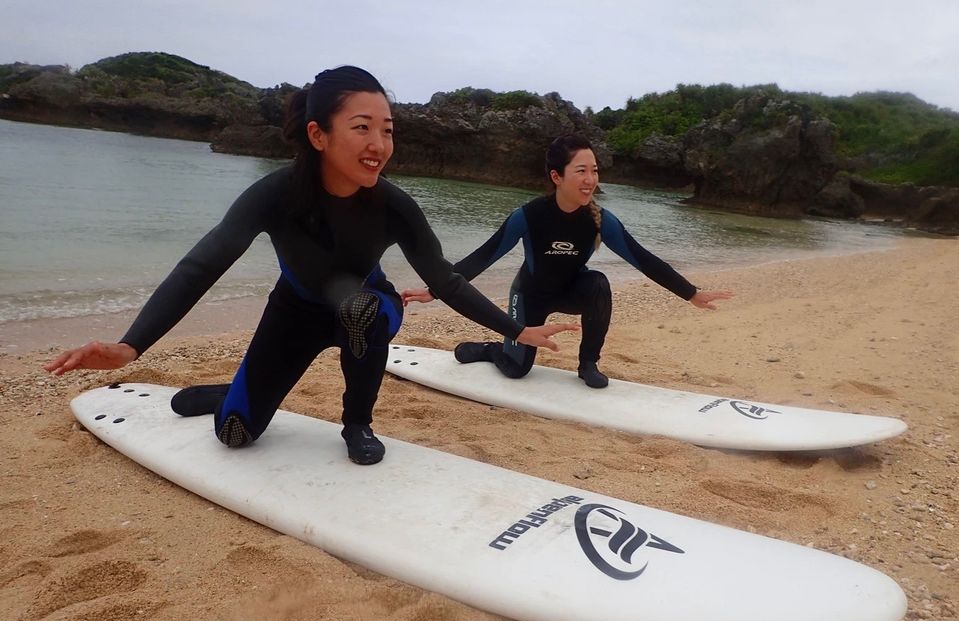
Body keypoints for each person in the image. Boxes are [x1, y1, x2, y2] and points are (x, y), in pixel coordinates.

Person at [44, 66, 576, 465]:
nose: (379, 145)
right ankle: (231, 397)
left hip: (370, 306)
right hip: (294, 312)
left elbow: (446, 280)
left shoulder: (394, 205)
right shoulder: (275, 195)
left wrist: (516, 329)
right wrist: (131, 345)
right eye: (363, 128)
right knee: (234, 436)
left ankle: (357, 424)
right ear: (319, 135)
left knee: (359, 308)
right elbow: (201, 265)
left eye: (387, 130)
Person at [401, 134, 733, 389]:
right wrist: (437, 288)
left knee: (599, 284)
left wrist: (691, 293)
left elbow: (643, 258)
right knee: (516, 370)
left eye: (595, 171)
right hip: (530, 295)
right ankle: (490, 350)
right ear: (557, 177)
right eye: (581, 171)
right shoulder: (528, 216)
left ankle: (588, 363)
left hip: (572, 290)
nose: (590, 179)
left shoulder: (601, 220)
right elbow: (485, 255)